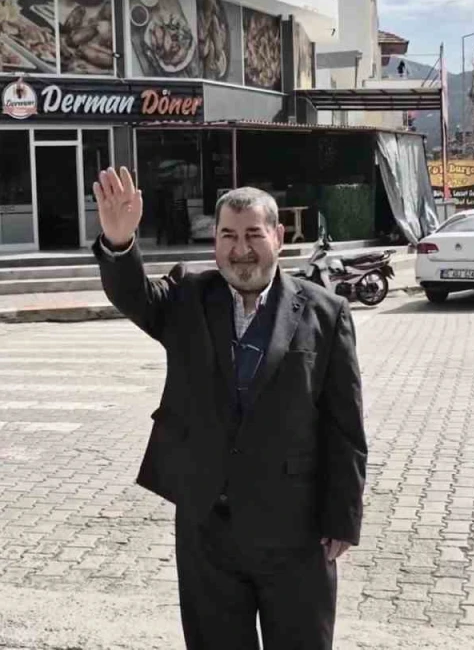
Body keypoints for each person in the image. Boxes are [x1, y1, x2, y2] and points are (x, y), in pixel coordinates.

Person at [91, 167, 368, 650]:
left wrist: (342, 518)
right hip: (208, 529)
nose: (241, 249)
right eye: (229, 236)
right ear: (215, 242)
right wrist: (119, 242)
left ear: (278, 237)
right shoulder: (188, 298)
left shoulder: (325, 313)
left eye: (253, 235)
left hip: (295, 531)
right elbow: (133, 296)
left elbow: (344, 425)